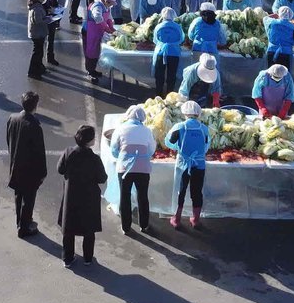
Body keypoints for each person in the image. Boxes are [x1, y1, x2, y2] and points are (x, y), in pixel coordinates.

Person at [57, 125, 107, 268]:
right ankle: (88, 258)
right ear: (90, 140)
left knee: (69, 228)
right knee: (88, 228)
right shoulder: (94, 159)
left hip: (71, 195)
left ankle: (67, 258)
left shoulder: (69, 152)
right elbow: (102, 178)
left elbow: (60, 169)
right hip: (89, 198)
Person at [6, 91, 47, 239]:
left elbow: (9, 139)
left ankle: (20, 221)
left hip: (16, 164)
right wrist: (43, 173)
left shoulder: (12, 118)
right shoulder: (34, 125)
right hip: (30, 169)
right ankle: (24, 227)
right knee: (28, 200)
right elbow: (39, 152)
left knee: (18, 196)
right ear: (35, 106)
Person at [110, 105, 155, 235]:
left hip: (124, 169)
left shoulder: (120, 129)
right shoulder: (147, 131)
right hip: (143, 168)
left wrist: (123, 157)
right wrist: (141, 156)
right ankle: (144, 225)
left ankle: (126, 227)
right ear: (142, 118)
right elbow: (151, 150)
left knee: (125, 196)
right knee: (142, 196)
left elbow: (114, 150)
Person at [165, 100, 209, 229]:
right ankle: (195, 220)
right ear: (198, 114)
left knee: (181, 191)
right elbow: (206, 146)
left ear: (184, 113)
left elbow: (169, 142)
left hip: (183, 164)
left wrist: (179, 148)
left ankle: (176, 219)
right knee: (197, 191)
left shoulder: (180, 127)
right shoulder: (204, 128)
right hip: (199, 165)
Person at [82, 0, 116, 85]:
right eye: (110, 3)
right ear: (106, 1)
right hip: (89, 32)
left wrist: (111, 27)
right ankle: (90, 72)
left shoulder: (106, 6)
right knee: (90, 52)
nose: (111, 5)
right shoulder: (97, 6)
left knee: (96, 51)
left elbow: (108, 18)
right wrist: (107, 28)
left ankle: (93, 69)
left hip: (97, 32)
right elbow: (98, 18)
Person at [151, 8, 185, 97]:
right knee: (172, 75)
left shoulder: (159, 26)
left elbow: (155, 40)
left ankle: (158, 94)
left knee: (159, 75)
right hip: (174, 53)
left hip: (161, 52)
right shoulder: (177, 27)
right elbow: (181, 39)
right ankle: (170, 95)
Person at [27, 0, 50, 80]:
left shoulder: (36, 5)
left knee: (39, 52)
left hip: (38, 33)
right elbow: (37, 21)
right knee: (37, 53)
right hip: (37, 34)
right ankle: (33, 72)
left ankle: (39, 68)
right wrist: (48, 19)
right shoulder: (37, 8)